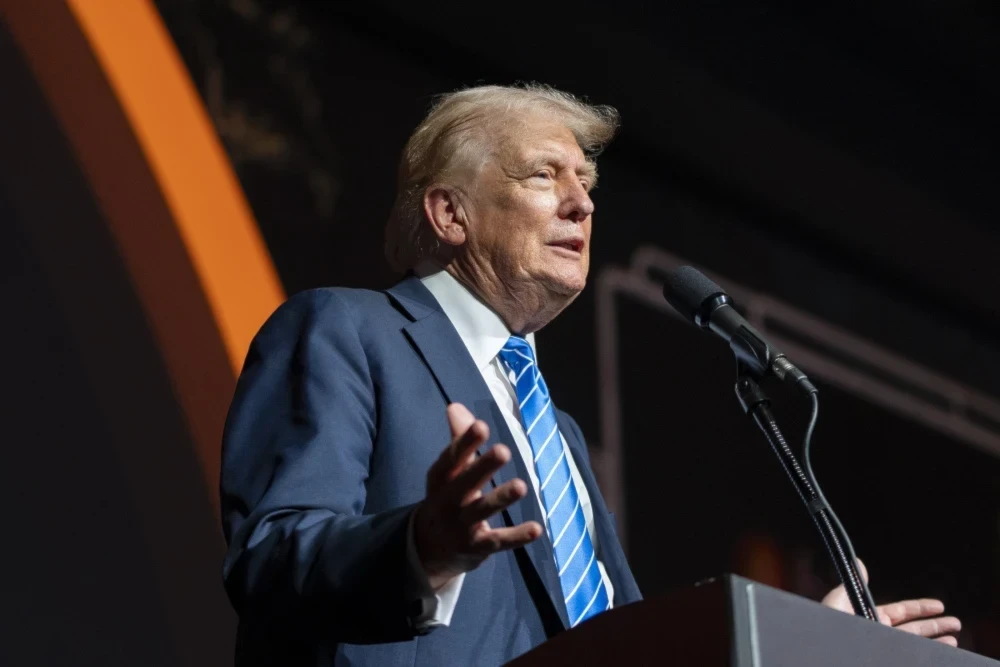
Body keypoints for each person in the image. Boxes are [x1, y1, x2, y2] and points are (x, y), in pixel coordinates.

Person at [220, 84, 961, 666]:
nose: (582, 202)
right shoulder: (346, 330)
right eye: (546, 175)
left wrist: (793, 646)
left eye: (588, 183)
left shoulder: (558, 432)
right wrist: (421, 547)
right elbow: (271, 560)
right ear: (450, 212)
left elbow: (624, 651)